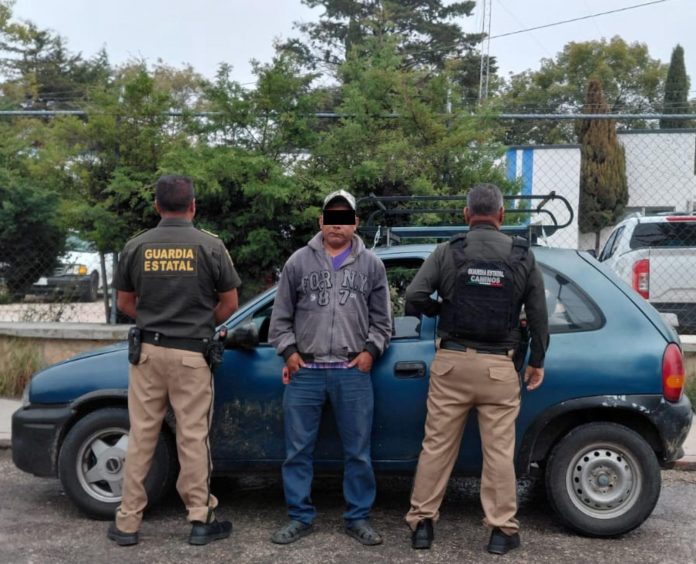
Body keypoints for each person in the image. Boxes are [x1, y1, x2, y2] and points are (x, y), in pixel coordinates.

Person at [404, 183, 548, 555]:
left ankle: (422, 525)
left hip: (452, 364)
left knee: (436, 447)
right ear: (501, 215)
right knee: (498, 453)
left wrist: (441, 309)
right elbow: (538, 316)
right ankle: (501, 532)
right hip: (499, 368)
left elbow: (414, 297)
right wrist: (536, 361)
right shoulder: (522, 255)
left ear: (467, 214)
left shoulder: (447, 251)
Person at [107, 175, 242, 546]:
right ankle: (200, 518)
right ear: (193, 206)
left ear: (156, 206)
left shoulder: (136, 246)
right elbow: (230, 303)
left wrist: (156, 322)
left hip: (147, 354)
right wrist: (199, 325)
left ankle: (127, 523)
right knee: (193, 437)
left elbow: (124, 302)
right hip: (192, 356)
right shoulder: (210, 246)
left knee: (142, 436)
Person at [268, 189, 392, 546]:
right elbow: (280, 319)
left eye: (344, 218)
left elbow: (383, 322)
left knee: (358, 453)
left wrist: (370, 352)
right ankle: (299, 517)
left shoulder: (372, 265)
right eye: (331, 218)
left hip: (352, 372)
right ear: (321, 221)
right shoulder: (297, 262)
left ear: (355, 223)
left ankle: (357, 517)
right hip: (306, 372)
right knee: (297, 452)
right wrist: (289, 353)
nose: (337, 225)